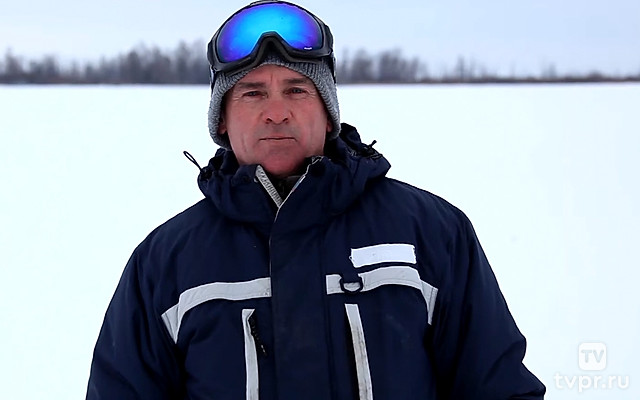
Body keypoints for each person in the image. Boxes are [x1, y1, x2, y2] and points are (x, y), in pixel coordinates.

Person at [86, 1, 546, 399]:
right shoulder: (166, 263)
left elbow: (499, 387)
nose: (276, 112)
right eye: (252, 93)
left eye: (296, 90)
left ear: (328, 113)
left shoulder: (430, 233)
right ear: (222, 120)